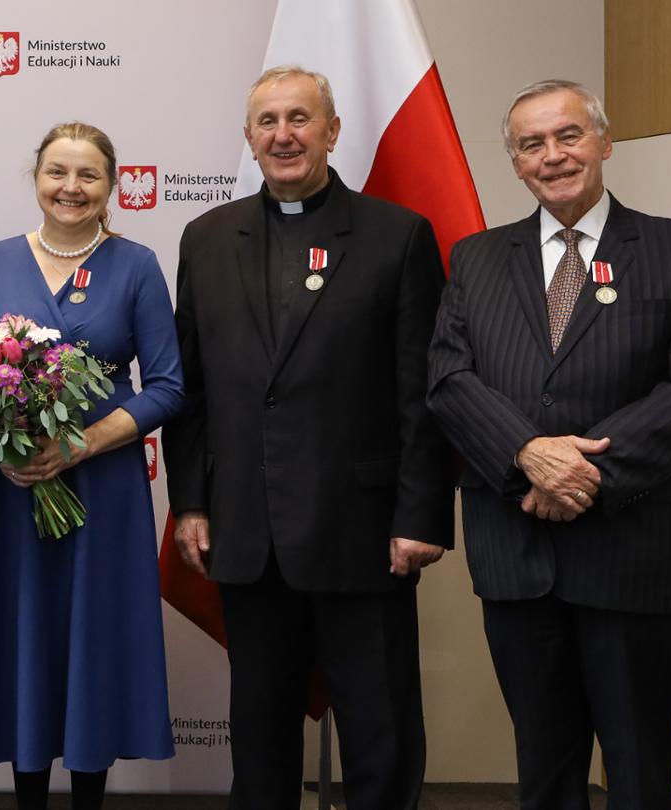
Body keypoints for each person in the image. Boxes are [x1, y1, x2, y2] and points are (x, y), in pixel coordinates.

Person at [427, 79, 671, 810]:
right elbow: (448, 379)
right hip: (518, 553)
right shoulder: (475, 259)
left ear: (603, 141)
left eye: (568, 135)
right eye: (532, 144)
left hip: (633, 555)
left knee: (638, 769)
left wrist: (580, 471)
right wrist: (528, 454)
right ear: (515, 163)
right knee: (544, 768)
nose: (553, 155)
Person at [162, 65, 456, 809]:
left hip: (363, 532)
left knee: (379, 731)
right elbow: (190, 391)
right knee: (258, 738)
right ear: (248, 138)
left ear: (331, 130)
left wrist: (420, 517)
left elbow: (423, 393)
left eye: (300, 119)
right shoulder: (204, 238)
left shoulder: (398, 236)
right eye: (267, 121)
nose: (283, 134)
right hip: (247, 530)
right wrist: (191, 504)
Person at [0, 122, 183, 809]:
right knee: (26, 641)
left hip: (101, 488)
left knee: (88, 643)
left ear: (111, 186)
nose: (70, 188)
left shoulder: (135, 265)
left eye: (88, 176)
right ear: (36, 177)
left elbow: (167, 384)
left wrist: (78, 445)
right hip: (10, 488)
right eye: (57, 172)